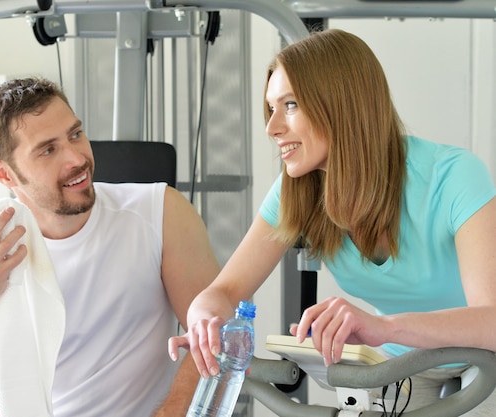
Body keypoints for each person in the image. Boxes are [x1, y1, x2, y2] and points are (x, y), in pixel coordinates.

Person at [169, 28, 496, 415]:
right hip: (405, 360)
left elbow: (490, 319)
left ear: (342, 104)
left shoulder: (453, 176)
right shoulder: (298, 191)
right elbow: (224, 291)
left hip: (482, 350)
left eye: (289, 105)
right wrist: (204, 317)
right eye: (271, 108)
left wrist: (386, 327)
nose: (272, 127)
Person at [0, 77, 221, 417]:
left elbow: (216, 340)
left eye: (75, 134)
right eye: (48, 149)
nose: (77, 158)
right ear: (4, 174)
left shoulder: (160, 211)